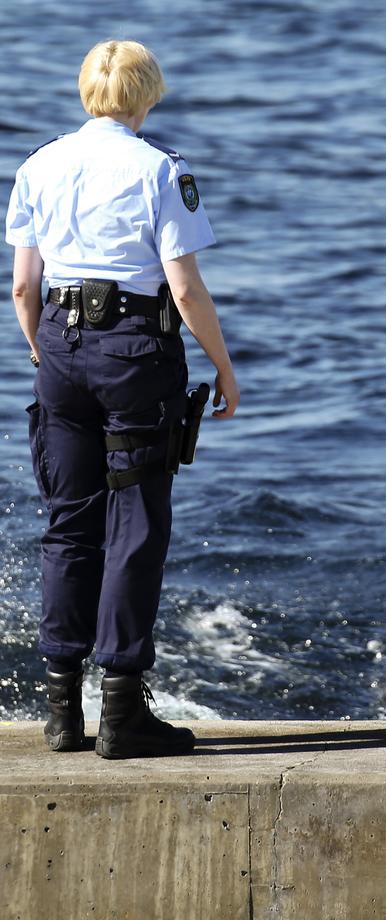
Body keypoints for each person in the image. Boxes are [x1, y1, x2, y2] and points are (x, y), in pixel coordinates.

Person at [6, 40, 240, 758]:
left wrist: (47, 352)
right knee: (135, 523)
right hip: (134, 352)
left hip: (60, 348)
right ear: (148, 96)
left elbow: (22, 285)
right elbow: (185, 289)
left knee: (69, 522)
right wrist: (224, 368)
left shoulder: (39, 164)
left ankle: (58, 711)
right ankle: (121, 713)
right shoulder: (161, 170)